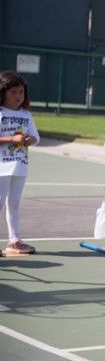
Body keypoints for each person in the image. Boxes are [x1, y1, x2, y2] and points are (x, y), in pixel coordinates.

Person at [0, 71, 39, 256]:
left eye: (21, 92)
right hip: (2, 165)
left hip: (20, 165)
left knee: (14, 203)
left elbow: (35, 137)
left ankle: (14, 241)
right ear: (3, 93)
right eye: (13, 92)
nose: (18, 96)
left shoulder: (26, 115)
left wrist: (29, 139)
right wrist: (11, 138)